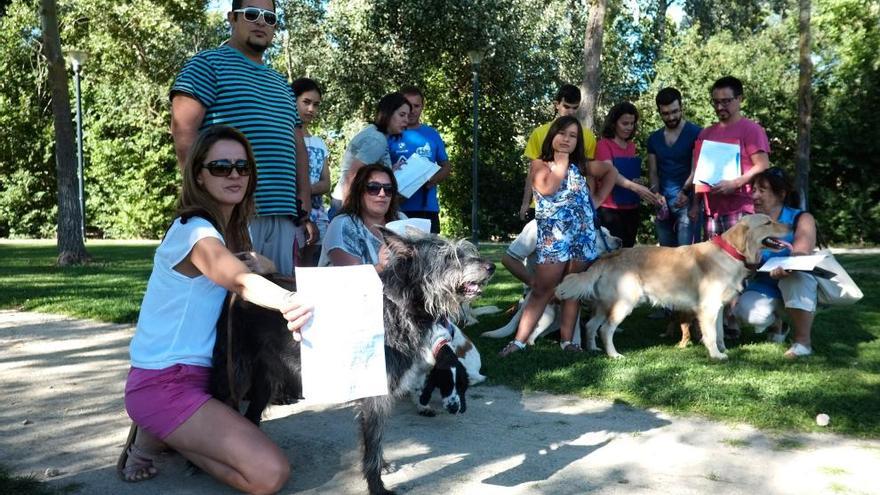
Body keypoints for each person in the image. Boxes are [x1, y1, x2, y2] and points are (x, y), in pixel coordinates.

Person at [117, 126, 313, 493]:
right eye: (221, 167)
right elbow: (240, 279)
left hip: (199, 379)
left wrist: (264, 264)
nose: (235, 174)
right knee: (269, 474)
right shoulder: (193, 231)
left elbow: (247, 265)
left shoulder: (227, 232)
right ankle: (161, 434)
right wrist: (287, 301)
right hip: (163, 384)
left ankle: (157, 435)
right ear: (199, 176)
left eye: (242, 167)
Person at [170, 0, 316, 276]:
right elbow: (183, 131)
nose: (261, 22)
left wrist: (304, 206)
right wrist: (204, 203)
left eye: (269, 18)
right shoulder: (205, 65)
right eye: (251, 14)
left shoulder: (282, 85)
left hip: (284, 216)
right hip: (232, 214)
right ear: (232, 18)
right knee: (230, 306)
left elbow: (298, 149)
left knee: (279, 305)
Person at [500, 116, 617, 356]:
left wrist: (597, 200)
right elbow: (548, 188)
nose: (566, 139)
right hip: (554, 237)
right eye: (562, 133)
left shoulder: (581, 165)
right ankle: (519, 342)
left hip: (581, 235)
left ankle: (568, 342)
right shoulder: (540, 164)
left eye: (573, 136)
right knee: (543, 288)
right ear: (552, 135)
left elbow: (610, 170)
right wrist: (561, 162)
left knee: (572, 288)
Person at [733, 167, 818, 358]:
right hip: (765, 282)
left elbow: (801, 254)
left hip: (795, 278)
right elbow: (747, 264)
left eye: (762, 191)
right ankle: (779, 324)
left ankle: (803, 343)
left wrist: (787, 267)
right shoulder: (749, 223)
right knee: (747, 313)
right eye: (753, 190)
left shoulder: (802, 218)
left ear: (781, 194)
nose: (755, 196)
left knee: (796, 279)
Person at [694, 76, 770, 239]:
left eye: (726, 101)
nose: (720, 106)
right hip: (711, 212)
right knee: (713, 263)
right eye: (715, 102)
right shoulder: (705, 133)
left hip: (740, 210)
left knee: (741, 262)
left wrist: (735, 183)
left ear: (739, 99)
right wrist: (695, 204)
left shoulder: (751, 129)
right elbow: (699, 174)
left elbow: (763, 165)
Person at [520, 84, 599, 221]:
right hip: (540, 204)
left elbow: (590, 174)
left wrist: (590, 204)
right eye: (566, 106)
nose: (571, 111)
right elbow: (532, 172)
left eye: (575, 107)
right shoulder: (539, 133)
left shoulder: (588, 137)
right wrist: (525, 203)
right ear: (557, 104)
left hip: (574, 207)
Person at [329, 93, 411, 217]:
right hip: (347, 202)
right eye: (402, 115)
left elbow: (367, 170)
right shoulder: (377, 139)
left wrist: (391, 169)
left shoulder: (375, 133)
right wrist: (348, 214)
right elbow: (352, 175)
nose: (406, 120)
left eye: (408, 116)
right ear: (388, 113)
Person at [595, 102, 663, 247]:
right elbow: (610, 173)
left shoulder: (631, 146)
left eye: (632, 123)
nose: (629, 127)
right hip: (610, 210)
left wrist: (639, 183)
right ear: (614, 123)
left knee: (628, 252)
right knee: (611, 255)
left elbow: (628, 176)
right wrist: (636, 188)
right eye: (625, 123)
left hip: (631, 209)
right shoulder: (603, 145)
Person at [386, 86, 451, 234]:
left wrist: (433, 179)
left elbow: (446, 166)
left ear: (422, 107)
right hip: (395, 207)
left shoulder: (431, 134)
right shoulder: (390, 134)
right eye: (409, 106)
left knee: (429, 255)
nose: (413, 110)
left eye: (417, 106)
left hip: (426, 208)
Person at [320, 164, 406, 268]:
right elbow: (350, 277)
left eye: (388, 189)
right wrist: (381, 267)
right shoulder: (343, 224)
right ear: (359, 192)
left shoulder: (401, 220)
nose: (382, 194)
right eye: (373, 188)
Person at [647, 87, 703, 247]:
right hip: (663, 204)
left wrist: (687, 194)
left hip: (688, 204)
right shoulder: (654, 139)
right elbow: (653, 171)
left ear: (681, 108)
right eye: (665, 113)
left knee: (688, 258)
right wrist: (656, 195)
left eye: (675, 111)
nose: (671, 117)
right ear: (659, 112)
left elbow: (698, 168)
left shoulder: (697, 133)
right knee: (666, 258)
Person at [292, 77, 331, 267]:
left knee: (314, 269)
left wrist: (304, 189)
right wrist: (303, 193)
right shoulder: (284, 138)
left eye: (316, 105)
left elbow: (326, 183)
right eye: (306, 102)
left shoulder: (319, 143)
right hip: (293, 212)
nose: (311, 109)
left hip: (318, 214)